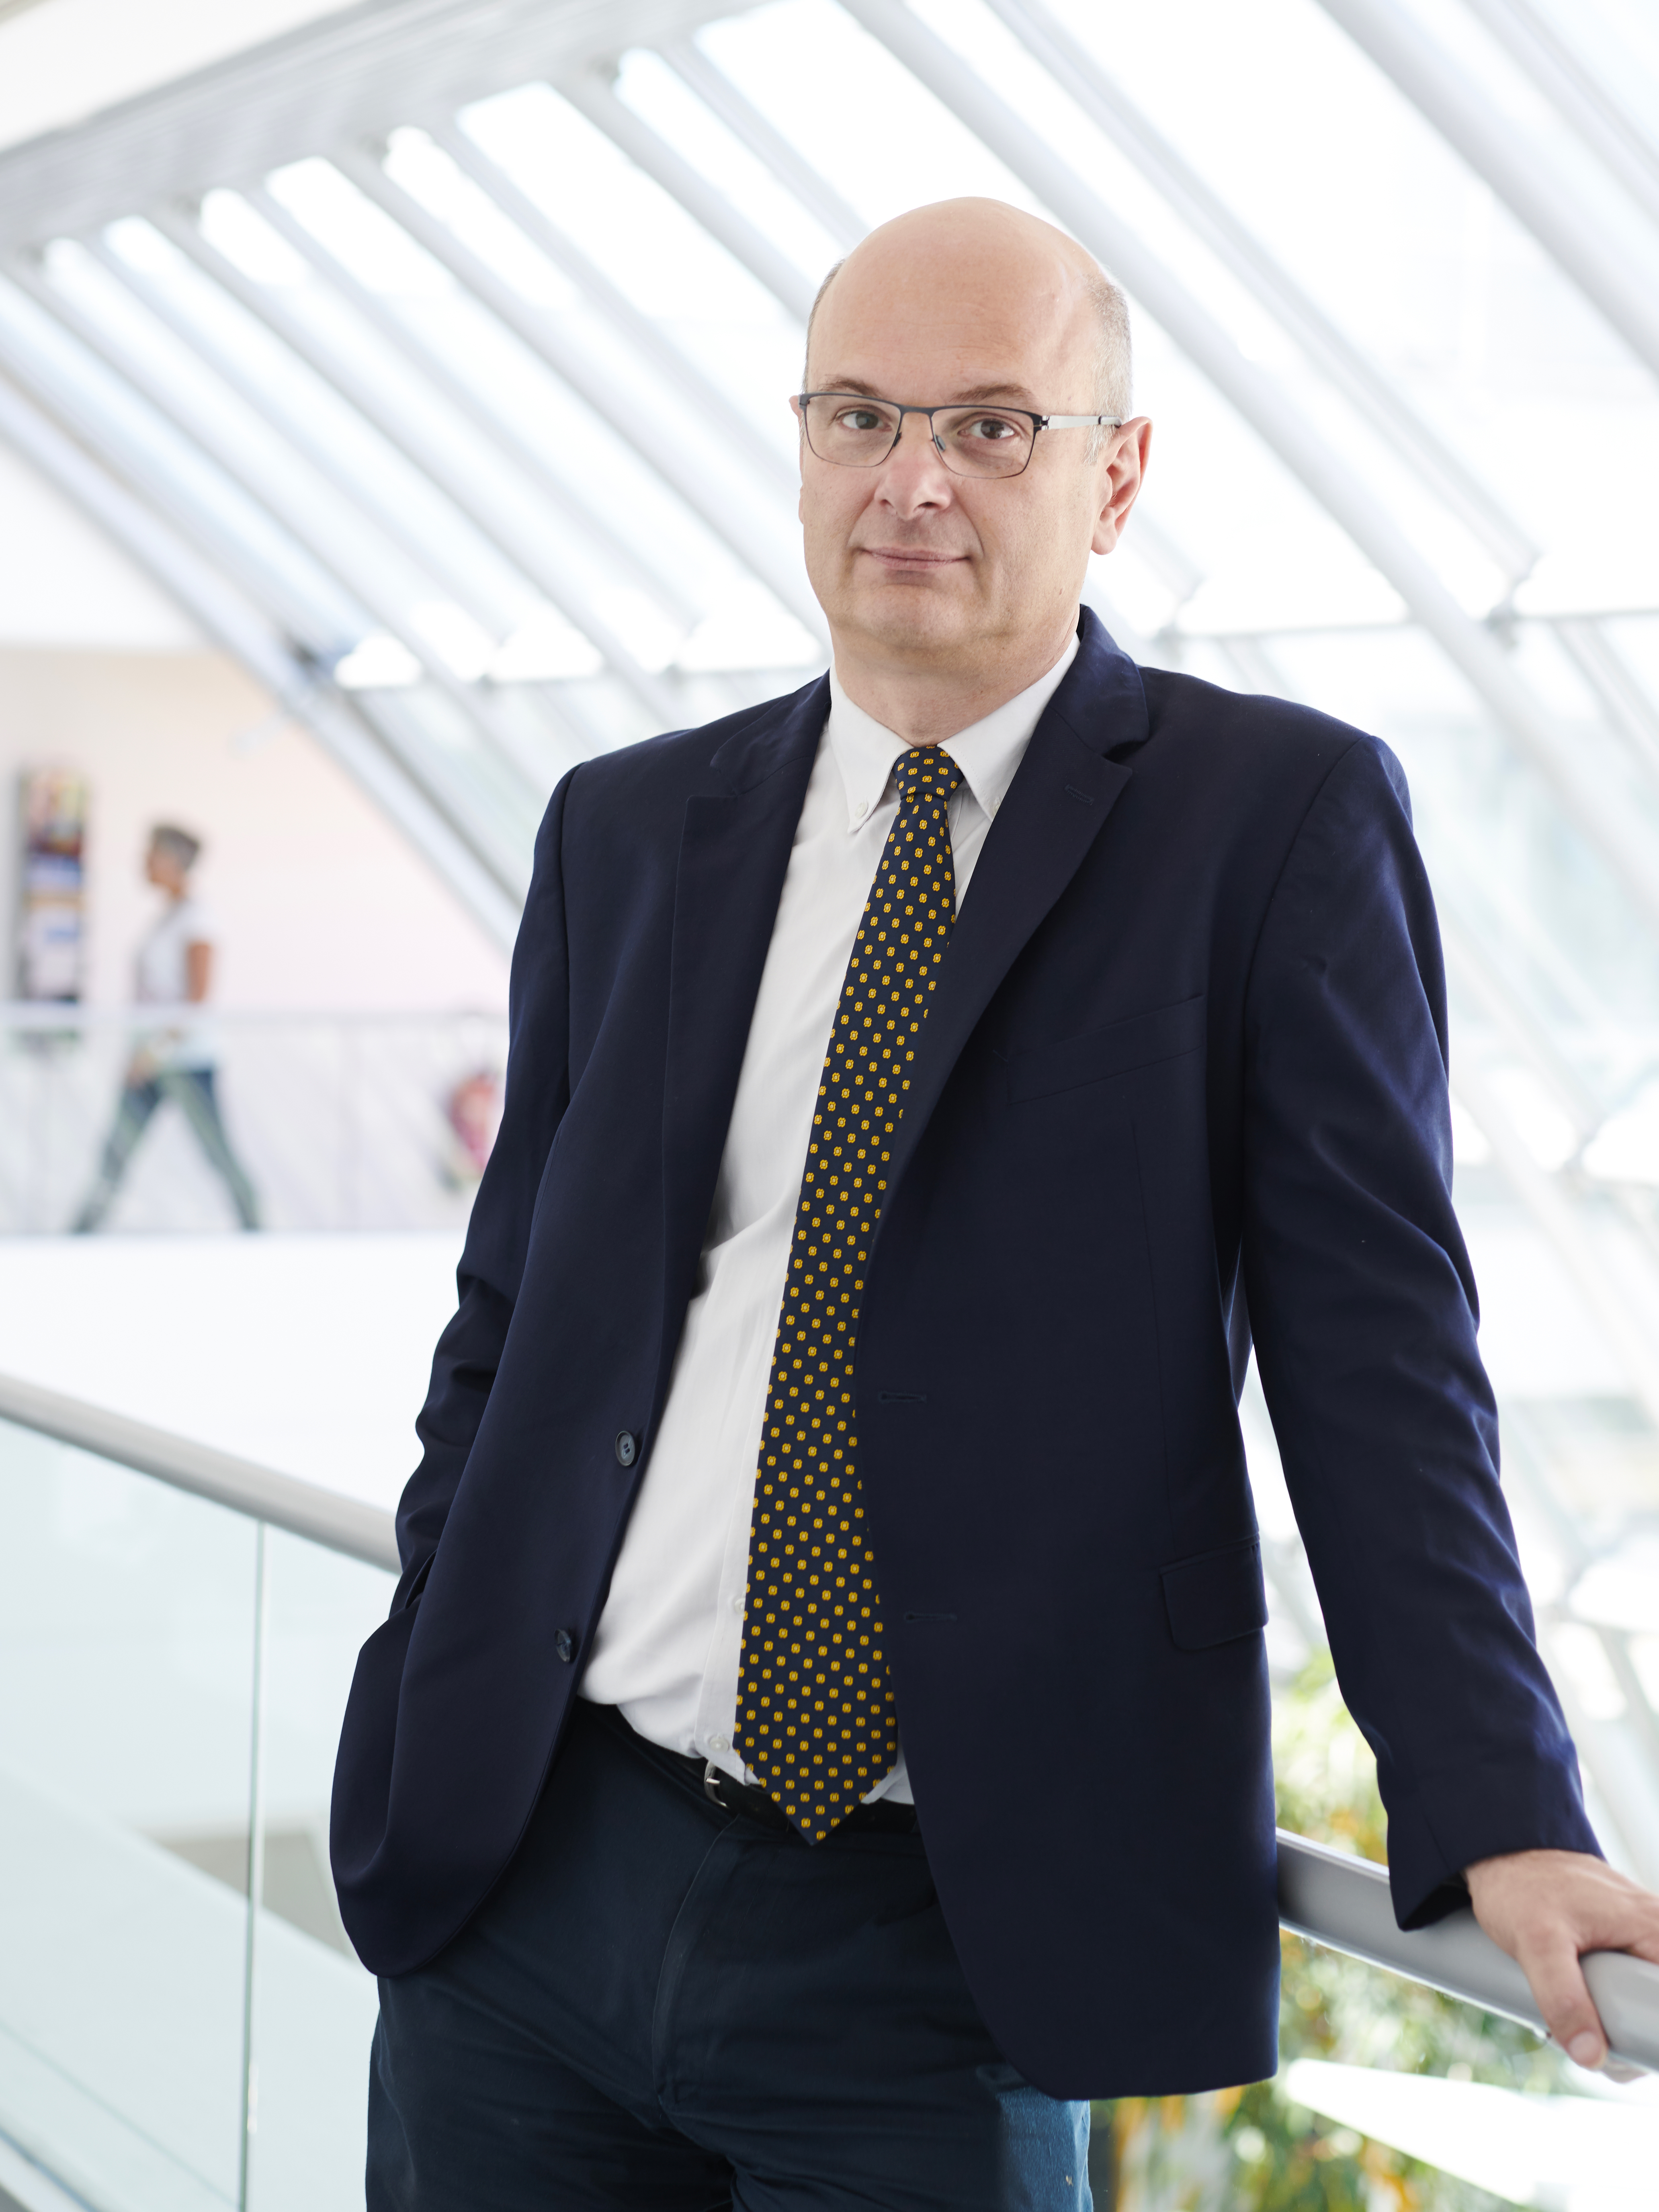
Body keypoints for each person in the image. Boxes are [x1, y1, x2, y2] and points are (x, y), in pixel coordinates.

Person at [333, 199, 1659, 2208]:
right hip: (530, 1883)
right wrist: (437, 1659)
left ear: (1116, 473)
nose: (914, 478)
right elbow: (508, 1321)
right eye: (860, 414)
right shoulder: (629, 825)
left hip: (932, 1936)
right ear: (802, 447)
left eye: (993, 425)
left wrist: (1503, 1802)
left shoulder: (1269, 821)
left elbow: (1381, 1369)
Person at [73, 823, 259, 1234]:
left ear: (174, 862)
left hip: (183, 1061)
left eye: (151, 853)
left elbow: (198, 999)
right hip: (148, 1059)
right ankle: (78, 1236)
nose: (143, 861)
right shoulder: (167, 917)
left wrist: (153, 1051)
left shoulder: (198, 921)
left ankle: (257, 1228)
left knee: (217, 1152)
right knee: (115, 1152)